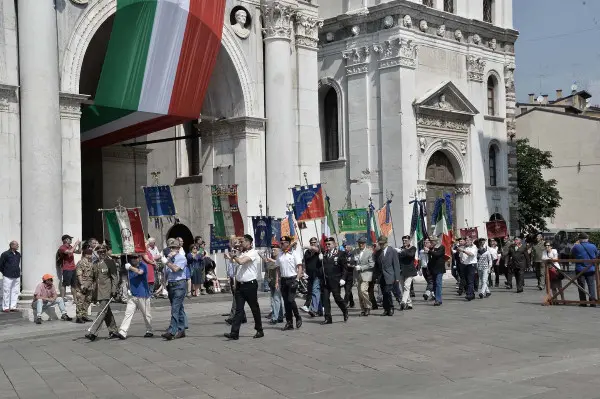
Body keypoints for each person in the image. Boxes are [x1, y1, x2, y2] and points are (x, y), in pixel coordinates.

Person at [224, 234, 264, 340]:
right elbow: (235, 262)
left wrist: (234, 256)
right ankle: (234, 333)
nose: (241, 244)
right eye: (241, 242)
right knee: (239, 310)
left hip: (250, 285)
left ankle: (259, 329)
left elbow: (241, 262)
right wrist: (230, 256)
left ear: (250, 243)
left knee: (254, 308)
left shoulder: (253, 253)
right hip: (240, 286)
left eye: (243, 242)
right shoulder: (242, 253)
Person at [85, 245, 119, 341]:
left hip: (107, 291)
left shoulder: (110, 262)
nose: (102, 253)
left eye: (104, 251)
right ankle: (113, 331)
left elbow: (114, 277)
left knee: (102, 311)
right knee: (106, 311)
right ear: (97, 253)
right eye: (100, 252)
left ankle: (93, 332)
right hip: (98, 291)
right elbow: (92, 278)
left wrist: (114, 290)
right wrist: (85, 286)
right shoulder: (95, 263)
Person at [117, 253, 153, 339]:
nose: (133, 259)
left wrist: (130, 267)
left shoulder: (143, 265)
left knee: (146, 314)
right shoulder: (129, 267)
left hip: (142, 294)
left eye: (135, 257)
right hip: (133, 295)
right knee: (128, 313)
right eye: (131, 257)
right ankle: (123, 331)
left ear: (140, 258)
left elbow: (139, 272)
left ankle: (149, 330)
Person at [161, 238, 188, 340]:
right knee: (179, 308)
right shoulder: (169, 259)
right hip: (171, 285)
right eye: (170, 248)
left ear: (178, 248)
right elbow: (166, 273)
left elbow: (175, 269)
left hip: (179, 285)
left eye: (174, 248)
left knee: (175, 309)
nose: (171, 250)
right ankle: (181, 330)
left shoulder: (181, 258)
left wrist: (167, 263)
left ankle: (172, 331)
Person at [275, 236, 303, 331]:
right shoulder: (279, 255)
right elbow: (278, 269)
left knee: (291, 300)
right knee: (286, 302)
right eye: (281, 243)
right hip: (283, 280)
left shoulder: (294, 253)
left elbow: (299, 267)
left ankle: (298, 317)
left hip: (292, 279)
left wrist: (297, 279)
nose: (281, 244)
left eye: (284, 243)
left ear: (288, 243)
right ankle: (289, 322)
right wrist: (277, 281)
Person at [320, 237, 349, 324]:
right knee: (325, 299)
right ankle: (328, 318)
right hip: (325, 280)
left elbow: (345, 268)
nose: (327, 245)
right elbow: (321, 267)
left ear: (334, 244)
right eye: (326, 244)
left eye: (329, 244)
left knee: (337, 298)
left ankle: (344, 310)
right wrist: (319, 260)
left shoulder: (340, 253)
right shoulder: (324, 254)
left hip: (336, 280)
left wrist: (343, 278)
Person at [374, 235, 401, 316]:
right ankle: (386, 309)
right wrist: (375, 276)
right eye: (380, 243)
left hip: (390, 275)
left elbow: (396, 265)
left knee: (388, 292)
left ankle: (391, 308)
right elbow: (376, 266)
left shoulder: (392, 251)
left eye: (382, 243)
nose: (381, 245)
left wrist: (397, 277)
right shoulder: (378, 252)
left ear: (386, 243)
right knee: (384, 293)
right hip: (381, 276)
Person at [571, 233, 598, 307]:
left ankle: (583, 302)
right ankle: (592, 302)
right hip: (591, 268)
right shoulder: (593, 246)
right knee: (591, 285)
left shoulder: (576, 247)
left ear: (579, 239)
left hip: (580, 269)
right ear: (587, 239)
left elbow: (571, 253)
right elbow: (596, 254)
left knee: (581, 286)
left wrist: (575, 245)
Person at [261, 245, 284, 324]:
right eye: (272, 250)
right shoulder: (271, 259)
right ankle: (280, 317)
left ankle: (275, 317)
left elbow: (280, 264)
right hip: (271, 282)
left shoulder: (281, 258)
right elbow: (268, 270)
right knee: (277, 300)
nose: (273, 251)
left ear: (279, 250)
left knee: (276, 299)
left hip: (279, 282)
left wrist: (271, 260)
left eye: (275, 250)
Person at [352, 237, 375, 316]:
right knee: (359, 293)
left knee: (363, 291)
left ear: (365, 243)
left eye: (362, 243)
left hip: (366, 274)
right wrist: (352, 262)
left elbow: (371, 264)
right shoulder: (355, 251)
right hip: (357, 275)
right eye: (359, 243)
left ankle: (368, 306)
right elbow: (352, 261)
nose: (360, 244)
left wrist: (362, 267)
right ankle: (363, 309)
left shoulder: (369, 252)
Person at [56, 234, 81, 300]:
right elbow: (70, 252)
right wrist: (76, 244)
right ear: (65, 240)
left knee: (73, 285)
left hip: (73, 268)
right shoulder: (62, 247)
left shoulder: (70, 246)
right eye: (70, 239)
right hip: (66, 268)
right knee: (64, 284)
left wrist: (79, 245)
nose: (71, 240)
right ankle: (62, 298)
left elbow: (79, 252)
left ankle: (75, 299)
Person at [302, 237, 322, 317]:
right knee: (313, 291)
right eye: (311, 243)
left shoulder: (319, 250)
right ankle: (320, 310)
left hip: (317, 274)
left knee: (315, 290)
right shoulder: (307, 252)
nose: (313, 244)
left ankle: (313, 309)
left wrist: (308, 246)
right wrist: (303, 271)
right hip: (309, 275)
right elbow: (304, 262)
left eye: (314, 242)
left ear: (317, 243)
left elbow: (316, 249)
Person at [75, 244, 95, 323]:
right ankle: (79, 317)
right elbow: (79, 274)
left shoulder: (91, 263)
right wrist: (82, 284)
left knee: (88, 300)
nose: (91, 256)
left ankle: (84, 315)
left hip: (89, 285)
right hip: (82, 285)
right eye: (90, 254)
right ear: (86, 255)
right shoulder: (81, 263)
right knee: (81, 301)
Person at [396, 235, 417, 310]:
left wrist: (402, 251)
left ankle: (403, 302)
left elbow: (410, 255)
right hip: (401, 271)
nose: (404, 242)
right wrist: (397, 252)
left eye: (406, 240)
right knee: (403, 287)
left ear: (409, 241)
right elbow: (398, 259)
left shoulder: (413, 248)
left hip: (409, 271)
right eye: (403, 240)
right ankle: (409, 303)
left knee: (407, 286)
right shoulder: (401, 248)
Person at [0, 240, 21, 312]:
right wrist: (5, 272)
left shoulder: (18, 254)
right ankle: (5, 307)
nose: (18, 246)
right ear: (12, 246)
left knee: (15, 291)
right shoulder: (5, 254)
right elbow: (1, 265)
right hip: (7, 275)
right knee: (6, 291)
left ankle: (13, 306)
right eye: (16, 245)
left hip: (16, 275)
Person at [456, 237, 477, 301]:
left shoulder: (474, 247)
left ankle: (469, 294)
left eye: (468, 240)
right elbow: (460, 256)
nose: (466, 241)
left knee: (470, 280)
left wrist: (463, 250)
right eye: (466, 240)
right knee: (467, 280)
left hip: (471, 265)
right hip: (465, 265)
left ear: (471, 241)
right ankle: (472, 294)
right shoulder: (464, 247)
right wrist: (461, 260)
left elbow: (471, 254)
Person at [428, 236, 446, 306]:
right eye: (430, 241)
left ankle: (438, 300)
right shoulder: (431, 248)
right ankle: (437, 298)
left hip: (439, 268)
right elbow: (430, 259)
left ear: (436, 241)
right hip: (433, 268)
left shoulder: (441, 247)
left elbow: (437, 255)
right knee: (435, 284)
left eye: (432, 241)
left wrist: (429, 251)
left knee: (438, 283)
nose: (431, 242)